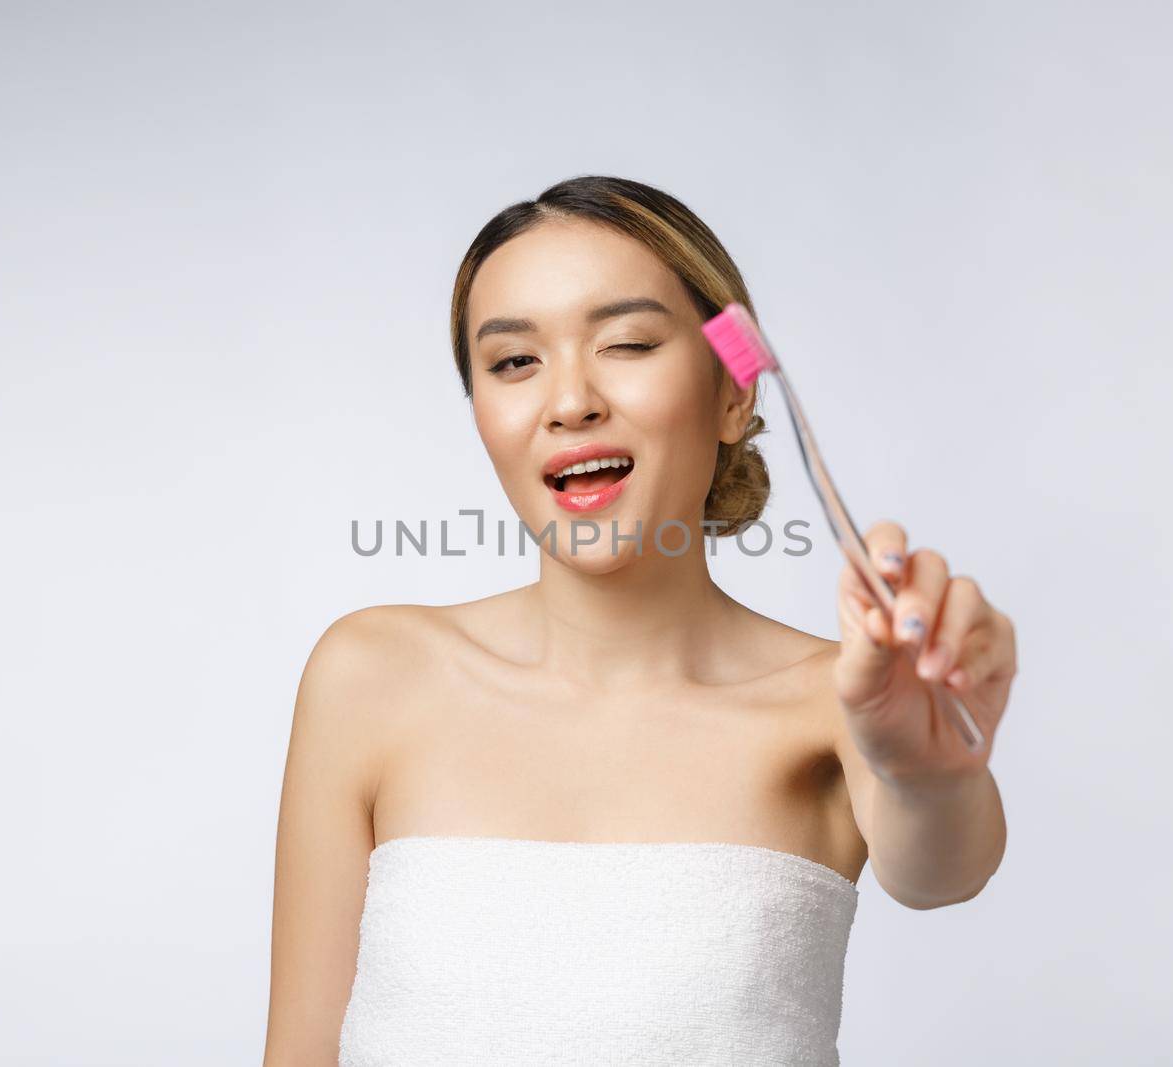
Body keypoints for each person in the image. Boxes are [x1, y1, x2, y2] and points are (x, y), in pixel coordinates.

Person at [262, 175, 1017, 1066]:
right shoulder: (372, 674)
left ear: (734, 393)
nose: (569, 399)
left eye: (625, 342)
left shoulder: (839, 702)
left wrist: (929, 772)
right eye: (513, 361)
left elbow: (943, 868)